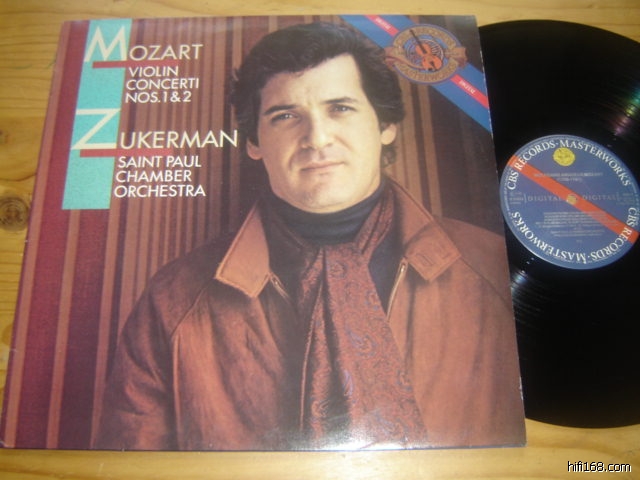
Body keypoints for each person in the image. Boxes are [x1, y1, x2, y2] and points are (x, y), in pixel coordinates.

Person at [94, 21, 525, 451]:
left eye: (340, 108)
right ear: (254, 142)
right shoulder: (173, 302)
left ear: (385, 125)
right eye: (285, 116)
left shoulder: (491, 269)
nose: (316, 138)